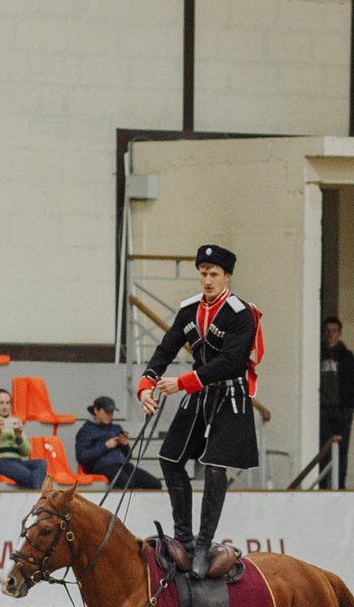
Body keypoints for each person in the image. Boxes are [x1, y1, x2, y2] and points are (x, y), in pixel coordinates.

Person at [138, 243, 262, 578]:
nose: (207, 280)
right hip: (199, 392)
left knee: (214, 468)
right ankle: (184, 537)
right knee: (170, 458)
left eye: (214, 274)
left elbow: (231, 361)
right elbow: (166, 348)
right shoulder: (190, 309)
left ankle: (204, 543)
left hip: (230, 396)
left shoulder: (240, 313)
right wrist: (146, 383)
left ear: (227, 276)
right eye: (203, 273)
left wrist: (184, 381)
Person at [74, 395, 158, 490]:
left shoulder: (116, 429)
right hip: (103, 467)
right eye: (106, 412)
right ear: (96, 410)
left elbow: (128, 456)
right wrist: (105, 446)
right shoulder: (86, 431)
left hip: (124, 465)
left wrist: (125, 445)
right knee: (128, 484)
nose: (110, 415)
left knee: (155, 484)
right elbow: (82, 457)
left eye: (111, 412)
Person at [316, 316, 354, 489]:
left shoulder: (347, 357)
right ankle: (323, 486)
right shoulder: (317, 355)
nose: (330, 335)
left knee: (342, 452)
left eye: (334, 331)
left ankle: (340, 486)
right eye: (327, 331)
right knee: (323, 451)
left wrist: (349, 409)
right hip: (323, 411)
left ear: (339, 333)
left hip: (341, 411)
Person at [0, 387, 48, 490]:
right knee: (31, 476)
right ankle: (38, 497)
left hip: (17, 461)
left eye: (8, 403)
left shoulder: (15, 421)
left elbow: (27, 452)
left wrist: (19, 438)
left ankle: (36, 496)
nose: (5, 407)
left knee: (41, 463)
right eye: (1, 403)